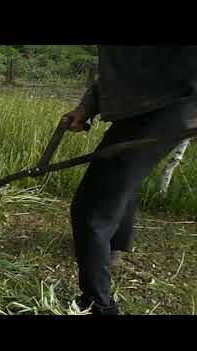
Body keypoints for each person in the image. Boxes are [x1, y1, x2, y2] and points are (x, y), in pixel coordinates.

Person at [64, 46, 197, 315]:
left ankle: (98, 306)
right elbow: (128, 65)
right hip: (152, 108)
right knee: (118, 182)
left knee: (91, 211)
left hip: (164, 107)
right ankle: (115, 246)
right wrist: (87, 105)